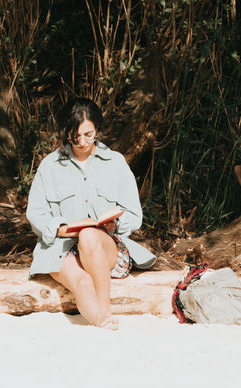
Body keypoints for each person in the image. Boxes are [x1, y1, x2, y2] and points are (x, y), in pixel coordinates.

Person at [26, 97, 156, 329]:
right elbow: (36, 212)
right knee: (82, 280)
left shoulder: (116, 162)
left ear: (98, 129)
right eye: (75, 136)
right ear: (66, 132)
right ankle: (101, 320)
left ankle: (104, 310)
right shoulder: (50, 165)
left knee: (88, 236)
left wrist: (115, 224)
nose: (82, 141)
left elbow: (134, 214)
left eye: (88, 134)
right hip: (61, 248)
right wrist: (64, 229)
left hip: (105, 246)